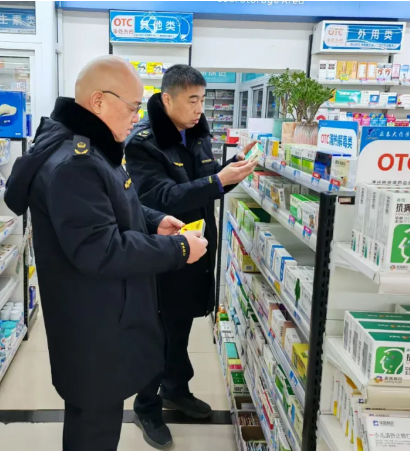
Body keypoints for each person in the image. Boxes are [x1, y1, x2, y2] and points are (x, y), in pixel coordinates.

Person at [4, 56, 209, 451]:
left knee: (98, 420)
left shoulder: (93, 147)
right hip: (93, 329)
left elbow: (113, 205)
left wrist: (154, 221)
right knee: (94, 429)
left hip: (99, 319)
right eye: (132, 107)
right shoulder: (75, 164)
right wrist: (179, 248)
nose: (137, 117)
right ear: (98, 101)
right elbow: (101, 249)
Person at [124, 64, 257, 448]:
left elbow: (202, 181)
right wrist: (218, 181)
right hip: (163, 251)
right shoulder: (143, 143)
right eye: (192, 100)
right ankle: (146, 407)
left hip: (195, 249)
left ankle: (176, 389)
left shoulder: (197, 134)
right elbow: (161, 198)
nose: (200, 108)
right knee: (157, 333)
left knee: (180, 326)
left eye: (202, 99)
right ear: (167, 100)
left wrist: (229, 172)